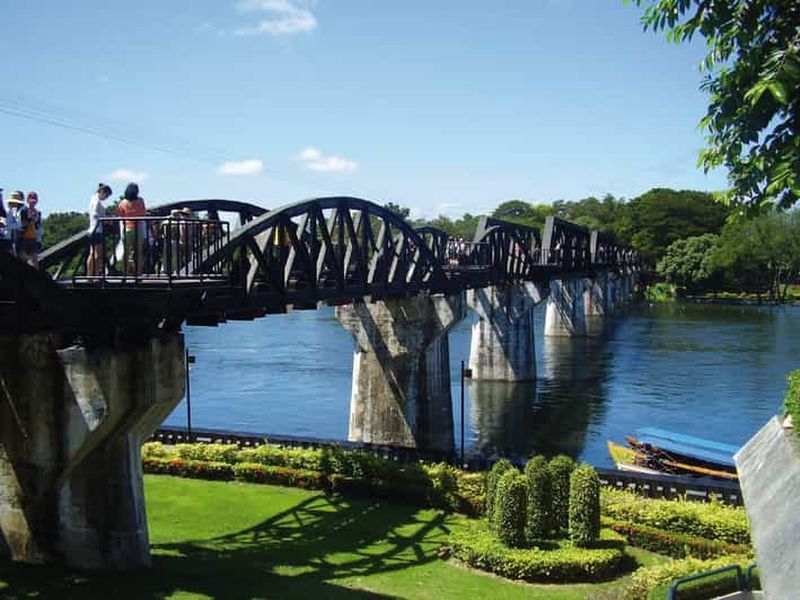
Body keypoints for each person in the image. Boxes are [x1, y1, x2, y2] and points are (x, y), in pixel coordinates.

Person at [116, 183, 146, 275]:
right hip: (138, 227)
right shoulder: (140, 201)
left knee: (126, 252)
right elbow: (143, 213)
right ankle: (138, 273)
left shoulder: (123, 203)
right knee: (138, 252)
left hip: (127, 228)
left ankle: (126, 272)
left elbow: (119, 214)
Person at [86, 183, 112, 276]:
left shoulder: (92, 199)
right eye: (106, 195)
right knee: (97, 255)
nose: (106, 198)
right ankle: (95, 275)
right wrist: (105, 219)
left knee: (92, 253)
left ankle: (90, 275)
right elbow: (95, 215)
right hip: (97, 230)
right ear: (102, 192)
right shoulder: (96, 202)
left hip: (92, 230)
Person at [17, 191, 40, 268]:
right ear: (27, 200)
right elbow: (23, 224)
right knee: (23, 258)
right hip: (24, 237)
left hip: (33, 238)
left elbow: (37, 226)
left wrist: (35, 221)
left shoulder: (37, 212)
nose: (32, 203)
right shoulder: (24, 210)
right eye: (31, 201)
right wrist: (31, 219)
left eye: (34, 201)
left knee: (35, 260)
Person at [6, 190, 24, 257]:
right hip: (6, 238)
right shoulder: (9, 211)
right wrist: (20, 224)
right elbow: (8, 225)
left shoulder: (10, 211)